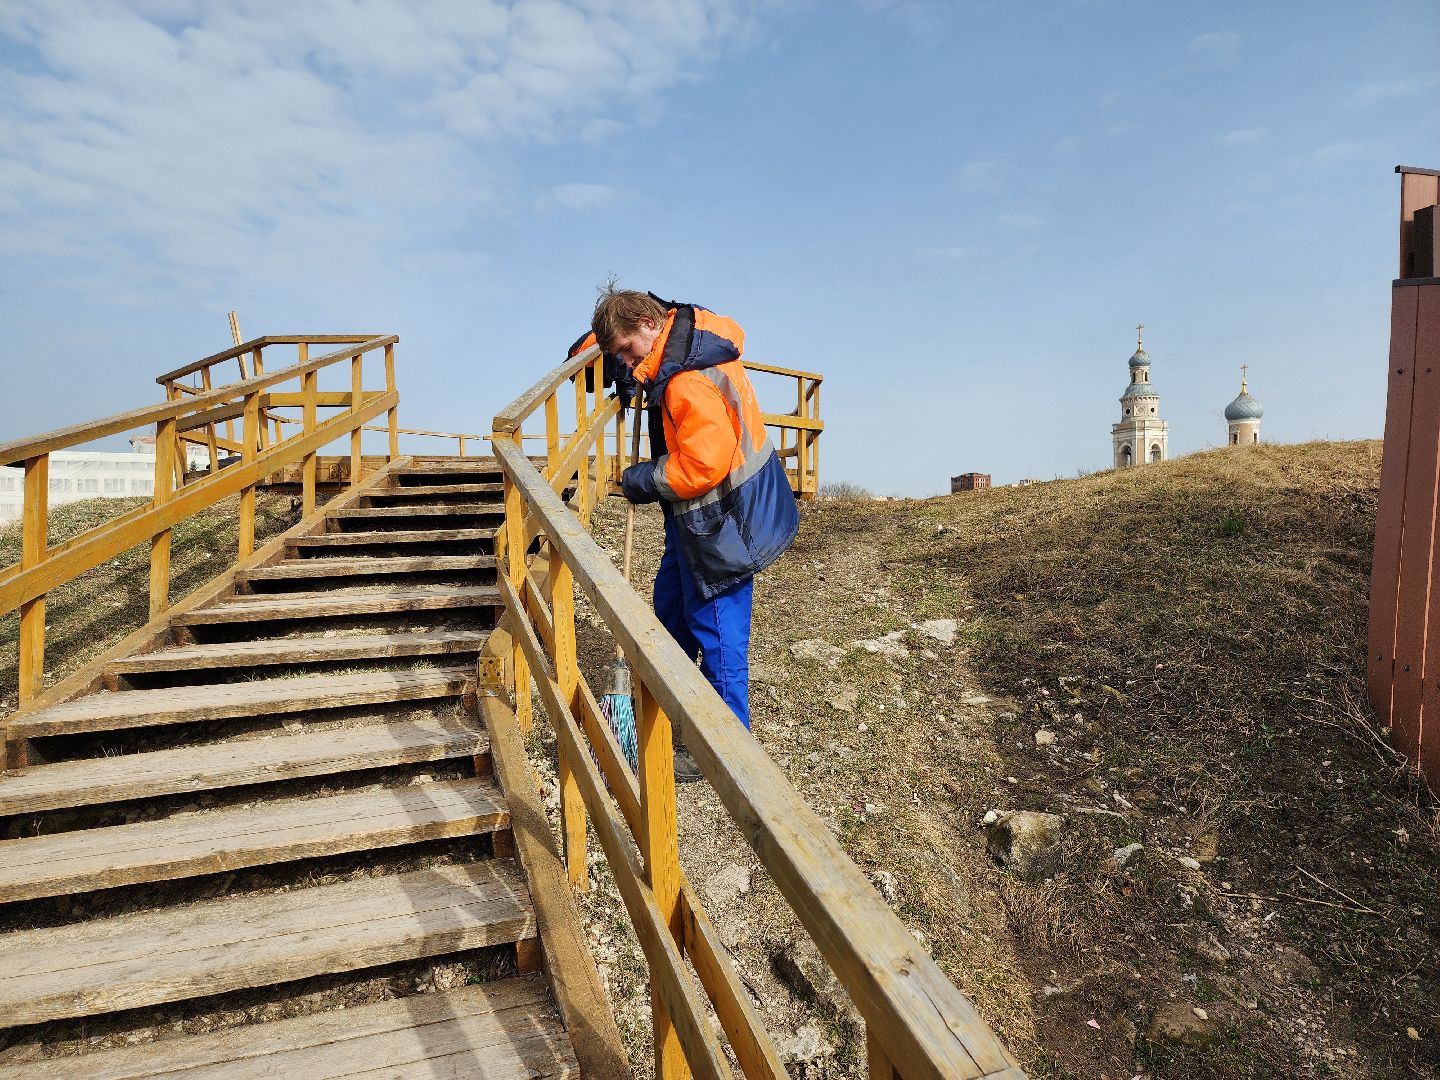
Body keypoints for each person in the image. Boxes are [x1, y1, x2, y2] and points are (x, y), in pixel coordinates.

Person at [592, 288, 799, 778]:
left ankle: (725, 750)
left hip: (724, 523)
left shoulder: (686, 378)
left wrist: (641, 479)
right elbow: (610, 348)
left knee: (720, 636)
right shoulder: (686, 339)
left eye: (625, 349)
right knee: (670, 614)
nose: (625, 360)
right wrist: (621, 365)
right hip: (700, 521)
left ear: (648, 323)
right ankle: (664, 714)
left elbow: (702, 465)